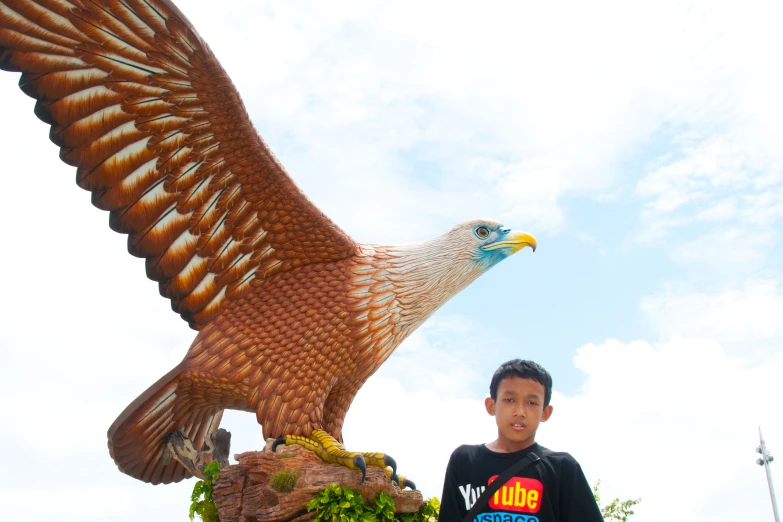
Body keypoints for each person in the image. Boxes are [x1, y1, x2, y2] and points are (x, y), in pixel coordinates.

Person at [438, 359, 604, 522]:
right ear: (491, 405)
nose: (520, 412)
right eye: (509, 400)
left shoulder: (562, 468)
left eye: (532, 402)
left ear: (545, 413)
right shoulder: (464, 461)